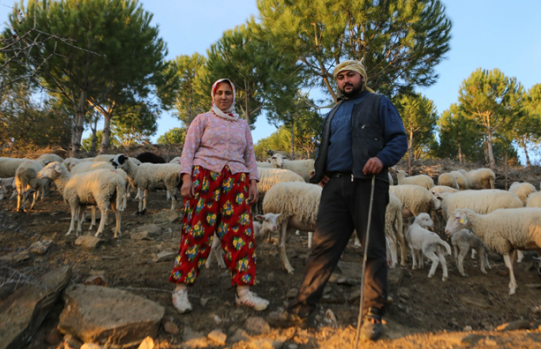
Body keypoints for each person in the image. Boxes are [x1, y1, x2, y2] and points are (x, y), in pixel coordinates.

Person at [267, 60, 408, 341]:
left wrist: (381, 159)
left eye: (350, 75)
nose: (345, 80)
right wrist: (321, 172)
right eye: (340, 77)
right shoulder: (333, 113)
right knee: (322, 248)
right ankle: (301, 310)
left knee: (373, 249)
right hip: (334, 188)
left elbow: (399, 139)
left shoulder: (379, 103)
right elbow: (326, 146)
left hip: (368, 183)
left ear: (361, 78)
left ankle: (373, 314)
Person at [169, 78, 269, 314]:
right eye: (219, 93)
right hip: (205, 178)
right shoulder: (202, 119)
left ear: (234, 96)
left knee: (241, 233)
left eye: (228, 93)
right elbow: (189, 149)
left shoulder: (242, 125)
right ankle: (180, 291)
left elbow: (249, 155)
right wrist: (186, 178)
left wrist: (253, 182)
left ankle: (244, 293)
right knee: (197, 232)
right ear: (213, 96)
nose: (224, 97)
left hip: (236, 181)